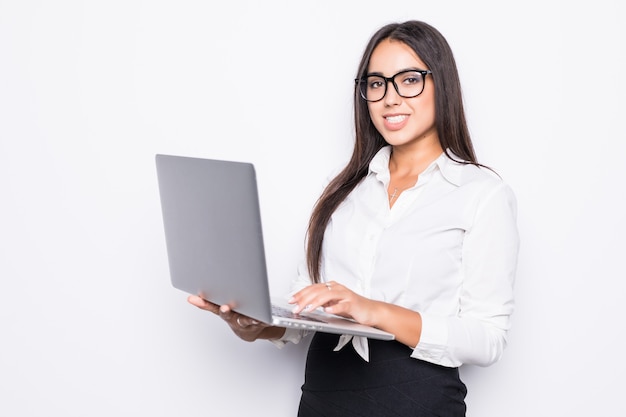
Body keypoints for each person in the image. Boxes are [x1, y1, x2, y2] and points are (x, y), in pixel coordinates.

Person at [189, 20, 519, 416]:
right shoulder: (343, 190)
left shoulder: (481, 194)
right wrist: (258, 326)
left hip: (415, 400)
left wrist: (373, 310)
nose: (390, 98)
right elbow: (306, 306)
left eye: (409, 79)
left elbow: (487, 338)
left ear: (442, 84)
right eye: (376, 83)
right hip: (323, 395)